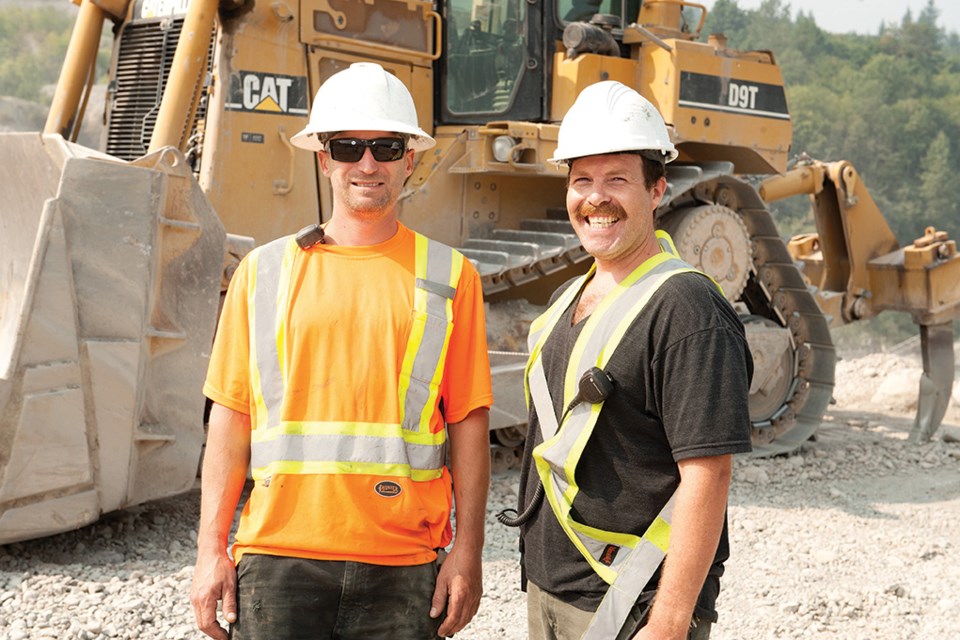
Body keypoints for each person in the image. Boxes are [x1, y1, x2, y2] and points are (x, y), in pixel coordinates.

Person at [190, 62, 493, 640]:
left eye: (385, 146)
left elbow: (468, 422)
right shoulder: (265, 274)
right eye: (349, 146)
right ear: (324, 157)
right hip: (278, 558)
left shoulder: (452, 278)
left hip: (405, 564)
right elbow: (231, 418)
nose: (367, 163)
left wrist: (468, 551)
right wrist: (210, 552)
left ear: (410, 157)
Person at [505, 80, 753, 640]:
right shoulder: (566, 300)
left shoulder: (688, 308)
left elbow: (708, 474)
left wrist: (668, 620)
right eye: (583, 181)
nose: (596, 198)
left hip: (633, 604)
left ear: (658, 188)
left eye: (617, 179)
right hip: (553, 590)